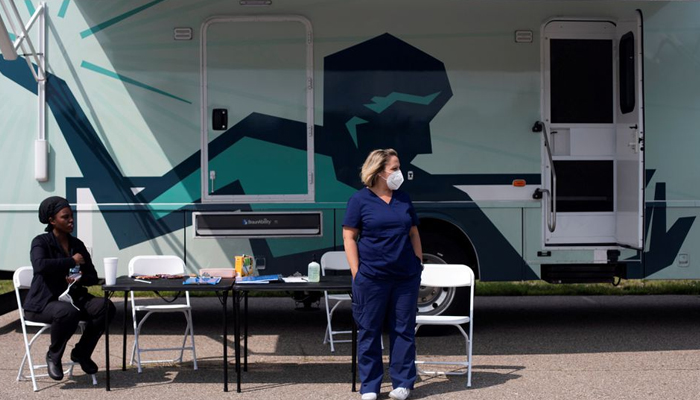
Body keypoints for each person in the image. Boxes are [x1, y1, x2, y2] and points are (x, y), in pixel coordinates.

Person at [343, 149, 423, 400]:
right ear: (378, 172)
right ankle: (370, 386)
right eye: (395, 168)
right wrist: (357, 272)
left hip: (405, 278)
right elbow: (349, 236)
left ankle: (402, 384)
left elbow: (413, 232)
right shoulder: (359, 200)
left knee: (403, 330)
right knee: (369, 331)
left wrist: (418, 263)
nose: (399, 173)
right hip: (372, 278)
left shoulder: (403, 198)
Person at [24, 196, 116, 381]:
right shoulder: (41, 242)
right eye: (65, 217)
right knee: (67, 312)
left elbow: (92, 276)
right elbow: (40, 265)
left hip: (73, 298)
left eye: (71, 216)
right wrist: (71, 261)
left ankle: (81, 352)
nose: (71, 220)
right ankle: (54, 356)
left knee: (106, 307)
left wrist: (80, 278)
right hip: (44, 303)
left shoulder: (77, 244)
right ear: (52, 221)